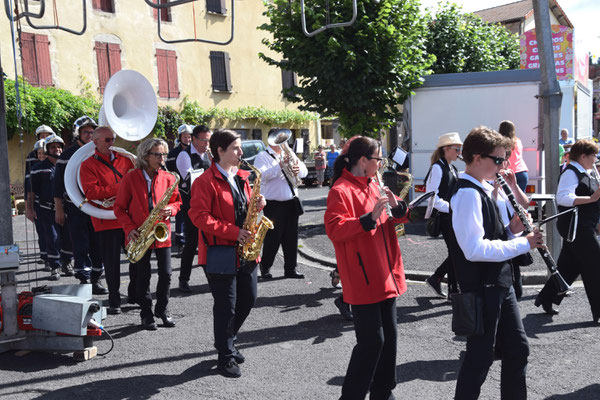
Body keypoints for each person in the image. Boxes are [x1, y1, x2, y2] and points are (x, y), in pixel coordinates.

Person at [448, 126, 543, 400]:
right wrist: (524, 243)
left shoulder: (483, 188)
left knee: (517, 349)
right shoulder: (466, 193)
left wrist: (511, 229)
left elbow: (491, 235)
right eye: (498, 159)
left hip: (500, 283)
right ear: (477, 158)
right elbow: (473, 249)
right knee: (480, 357)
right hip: (481, 288)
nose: (503, 165)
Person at [324, 136, 409, 400]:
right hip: (363, 277)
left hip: (386, 271)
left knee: (390, 341)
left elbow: (395, 221)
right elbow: (335, 229)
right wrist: (368, 218)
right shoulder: (341, 189)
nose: (381, 164)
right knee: (372, 343)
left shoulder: (375, 183)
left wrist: (398, 208)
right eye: (378, 159)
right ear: (363, 160)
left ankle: (383, 393)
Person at [188, 129, 265, 378]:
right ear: (219, 151)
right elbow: (198, 216)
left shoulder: (242, 176)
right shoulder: (204, 181)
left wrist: (258, 203)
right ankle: (225, 356)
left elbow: (244, 208)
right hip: (220, 251)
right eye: (235, 148)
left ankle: (228, 340)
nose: (241, 153)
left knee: (249, 299)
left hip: (246, 250)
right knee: (226, 307)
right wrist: (232, 232)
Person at [114, 138, 182, 330]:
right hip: (140, 233)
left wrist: (172, 209)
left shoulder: (169, 177)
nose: (162, 158)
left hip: (162, 233)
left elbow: (178, 202)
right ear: (145, 155)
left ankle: (162, 309)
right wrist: (129, 229)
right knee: (143, 276)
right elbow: (119, 208)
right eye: (157, 154)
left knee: (167, 274)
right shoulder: (131, 177)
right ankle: (146, 314)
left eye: (163, 154)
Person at [534, 139, 600, 323]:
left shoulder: (588, 172)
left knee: (570, 266)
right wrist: (591, 197)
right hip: (578, 227)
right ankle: (598, 312)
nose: (596, 158)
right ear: (583, 156)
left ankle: (546, 297)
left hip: (584, 226)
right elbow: (562, 198)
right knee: (595, 265)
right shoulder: (571, 172)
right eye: (594, 155)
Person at [80, 126, 136, 315]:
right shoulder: (87, 164)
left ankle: (134, 294)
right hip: (105, 220)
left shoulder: (126, 159)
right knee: (111, 264)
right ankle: (114, 300)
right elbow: (91, 192)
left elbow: (135, 183)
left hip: (128, 217)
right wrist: (120, 187)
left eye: (113, 139)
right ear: (95, 142)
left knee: (137, 257)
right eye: (108, 140)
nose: (112, 143)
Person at [52, 116, 108, 294]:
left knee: (98, 243)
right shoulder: (67, 155)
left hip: (97, 206)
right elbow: (57, 185)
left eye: (92, 132)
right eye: (86, 132)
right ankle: (84, 278)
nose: (89, 135)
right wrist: (59, 208)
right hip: (75, 207)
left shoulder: (100, 152)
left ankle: (96, 279)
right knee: (80, 244)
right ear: (78, 133)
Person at [254, 128, 308, 280]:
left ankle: (291, 269)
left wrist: (298, 169)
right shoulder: (262, 156)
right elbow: (262, 175)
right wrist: (280, 165)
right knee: (273, 238)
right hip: (273, 203)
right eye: (278, 139)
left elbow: (303, 171)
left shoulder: (288, 152)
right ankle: (265, 267)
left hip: (291, 201)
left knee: (292, 237)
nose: (283, 143)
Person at [424, 132, 463, 299]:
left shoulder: (452, 168)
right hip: (445, 217)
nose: (459, 152)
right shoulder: (437, 168)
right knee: (456, 252)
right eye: (457, 149)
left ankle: (440, 280)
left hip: (452, 215)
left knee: (457, 252)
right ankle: (452, 290)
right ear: (446, 149)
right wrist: (452, 208)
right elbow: (432, 196)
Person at [29, 134, 72, 280]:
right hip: (46, 210)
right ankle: (55, 267)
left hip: (67, 208)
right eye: (53, 147)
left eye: (59, 146)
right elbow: (32, 191)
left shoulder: (68, 165)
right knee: (52, 238)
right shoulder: (37, 168)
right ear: (47, 149)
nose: (57, 149)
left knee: (68, 238)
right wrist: (30, 208)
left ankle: (67, 263)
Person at [176, 125, 212, 292]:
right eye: (204, 140)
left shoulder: (209, 155)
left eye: (208, 140)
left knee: (209, 240)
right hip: (192, 205)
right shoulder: (184, 155)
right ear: (195, 139)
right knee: (192, 242)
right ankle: (183, 279)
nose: (207, 144)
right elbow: (193, 181)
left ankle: (213, 276)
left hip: (209, 203)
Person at [166, 124, 193, 252]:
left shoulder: (194, 152)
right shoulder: (173, 153)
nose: (187, 139)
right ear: (180, 137)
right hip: (178, 188)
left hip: (193, 189)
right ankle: (180, 242)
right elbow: (168, 171)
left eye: (189, 136)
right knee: (180, 215)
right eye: (185, 136)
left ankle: (191, 240)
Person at [498, 120, 528, 193]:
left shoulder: (500, 142)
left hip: (507, 173)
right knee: (520, 200)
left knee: (506, 200)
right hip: (521, 172)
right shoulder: (518, 141)